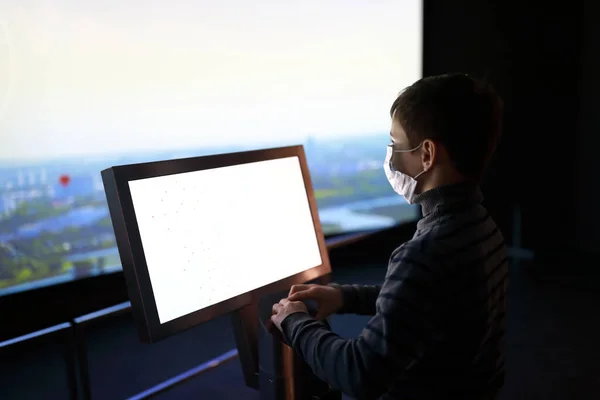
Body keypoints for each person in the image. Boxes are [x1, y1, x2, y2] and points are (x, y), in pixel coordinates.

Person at [271, 73, 508, 399]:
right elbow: (425, 301)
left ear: (427, 155)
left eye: (396, 144)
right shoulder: (482, 227)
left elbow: (357, 373)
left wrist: (294, 321)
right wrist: (344, 297)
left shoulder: (426, 253)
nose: (392, 156)